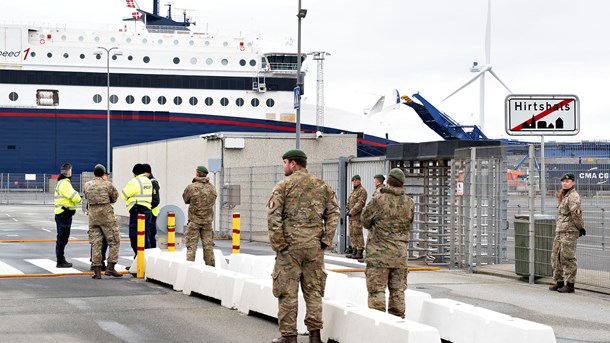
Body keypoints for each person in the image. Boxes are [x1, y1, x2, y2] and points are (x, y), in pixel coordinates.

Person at [267, 149, 340, 343]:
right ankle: (315, 336)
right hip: (314, 248)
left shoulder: (283, 185)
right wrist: (326, 239)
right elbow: (334, 213)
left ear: (293, 164)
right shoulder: (322, 186)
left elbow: (273, 217)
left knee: (287, 292)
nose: (284, 167)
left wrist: (279, 244)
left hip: (289, 249)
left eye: (284, 163)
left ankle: (289, 336)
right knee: (314, 291)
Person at [361, 168, 414, 318]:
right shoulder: (409, 202)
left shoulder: (378, 200)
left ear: (388, 182)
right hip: (399, 256)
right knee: (398, 292)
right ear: (402, 184)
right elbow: (409, 221)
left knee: (377, 292)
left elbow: (365, 221)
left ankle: (379, 327)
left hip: (379, 255)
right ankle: (398, 324)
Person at [83, 164, 123, 279]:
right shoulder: (108, 185)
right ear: (104, 174)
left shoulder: (87, 185)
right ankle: (110, 268)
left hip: (93, 216)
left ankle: (97, 271)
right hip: (106, 216)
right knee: (114, 241)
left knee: (96, 242)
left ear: (94, 173)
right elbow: (114, 197)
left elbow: (86, 197)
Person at [550, 173, 586, 293]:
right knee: (556, 257)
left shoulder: (573, 196)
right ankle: (559, 282)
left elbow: (576, 214)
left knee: (568, 258)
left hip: (569, 231)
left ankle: (570, 285)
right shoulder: (564, 195)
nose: (565, 183)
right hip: (561, 230)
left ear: (573, 182)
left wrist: (580, 228)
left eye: (568, 181)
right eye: (563, 181)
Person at [182, 165, 218, 265]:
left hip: (194, 221)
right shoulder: (212, 188)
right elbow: (213, 200)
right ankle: (210, 267)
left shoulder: (191, 187)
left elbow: (186, 199)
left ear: (197, 173)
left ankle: (189, 266)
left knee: (191, 246)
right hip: (207, 221)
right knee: (208, 246)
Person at [121, 163, 153, 257]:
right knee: (145, 236)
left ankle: (139, 260)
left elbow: (123, 195)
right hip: (147, 211)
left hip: (137, 212)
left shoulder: (134, 182)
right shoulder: (148, 181)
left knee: (134, 236)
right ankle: (146, 261)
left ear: (134, 173)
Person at [54, 162, 82, 268]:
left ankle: (60, 259)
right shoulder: (65, 184)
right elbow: (74, 197)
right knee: (63, 238)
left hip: (61, 214)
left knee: (61, 238)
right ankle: (60, 260)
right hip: (64, 215)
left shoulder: (60, 182)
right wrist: (79, 198)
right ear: (68, 172)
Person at [345, 175, 367, 259]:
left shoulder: (362, 191)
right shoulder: (353, 191)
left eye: (356, 180)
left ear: (360, 181)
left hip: (357, 216)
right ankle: (354, 249)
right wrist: (347, 209)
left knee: (358, 233)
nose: (354, 182)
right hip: (351, 217)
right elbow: (349, 201)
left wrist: (351, 212)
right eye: (353, 181)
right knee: (352, 233)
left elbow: (360, 204)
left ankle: (360, 251)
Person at [143, 163, 160, 249]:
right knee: (145, 234)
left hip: (152, 213)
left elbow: (156, 200)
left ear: (148, 172)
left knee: (150, 234)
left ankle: (152, 253)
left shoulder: (153, 182)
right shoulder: (145, 182)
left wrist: (147, 207)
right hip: (147, 212)